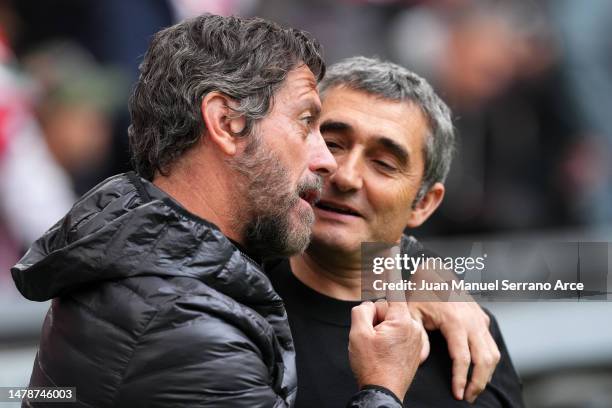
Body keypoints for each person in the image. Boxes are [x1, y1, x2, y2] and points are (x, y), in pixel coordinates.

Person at [11, 16, 424, 407]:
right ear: (226, 123)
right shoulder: (187, 332)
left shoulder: (144, 249)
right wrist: (382, 387)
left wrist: (430, 282)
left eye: (384, 164)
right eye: (306, 122)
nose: (327, 161)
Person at [266, 57, 525, 407]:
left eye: (384, 164)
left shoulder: (465, 342)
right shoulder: (235, 300)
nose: (345, 176)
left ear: (424, 205)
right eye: (333, 143)